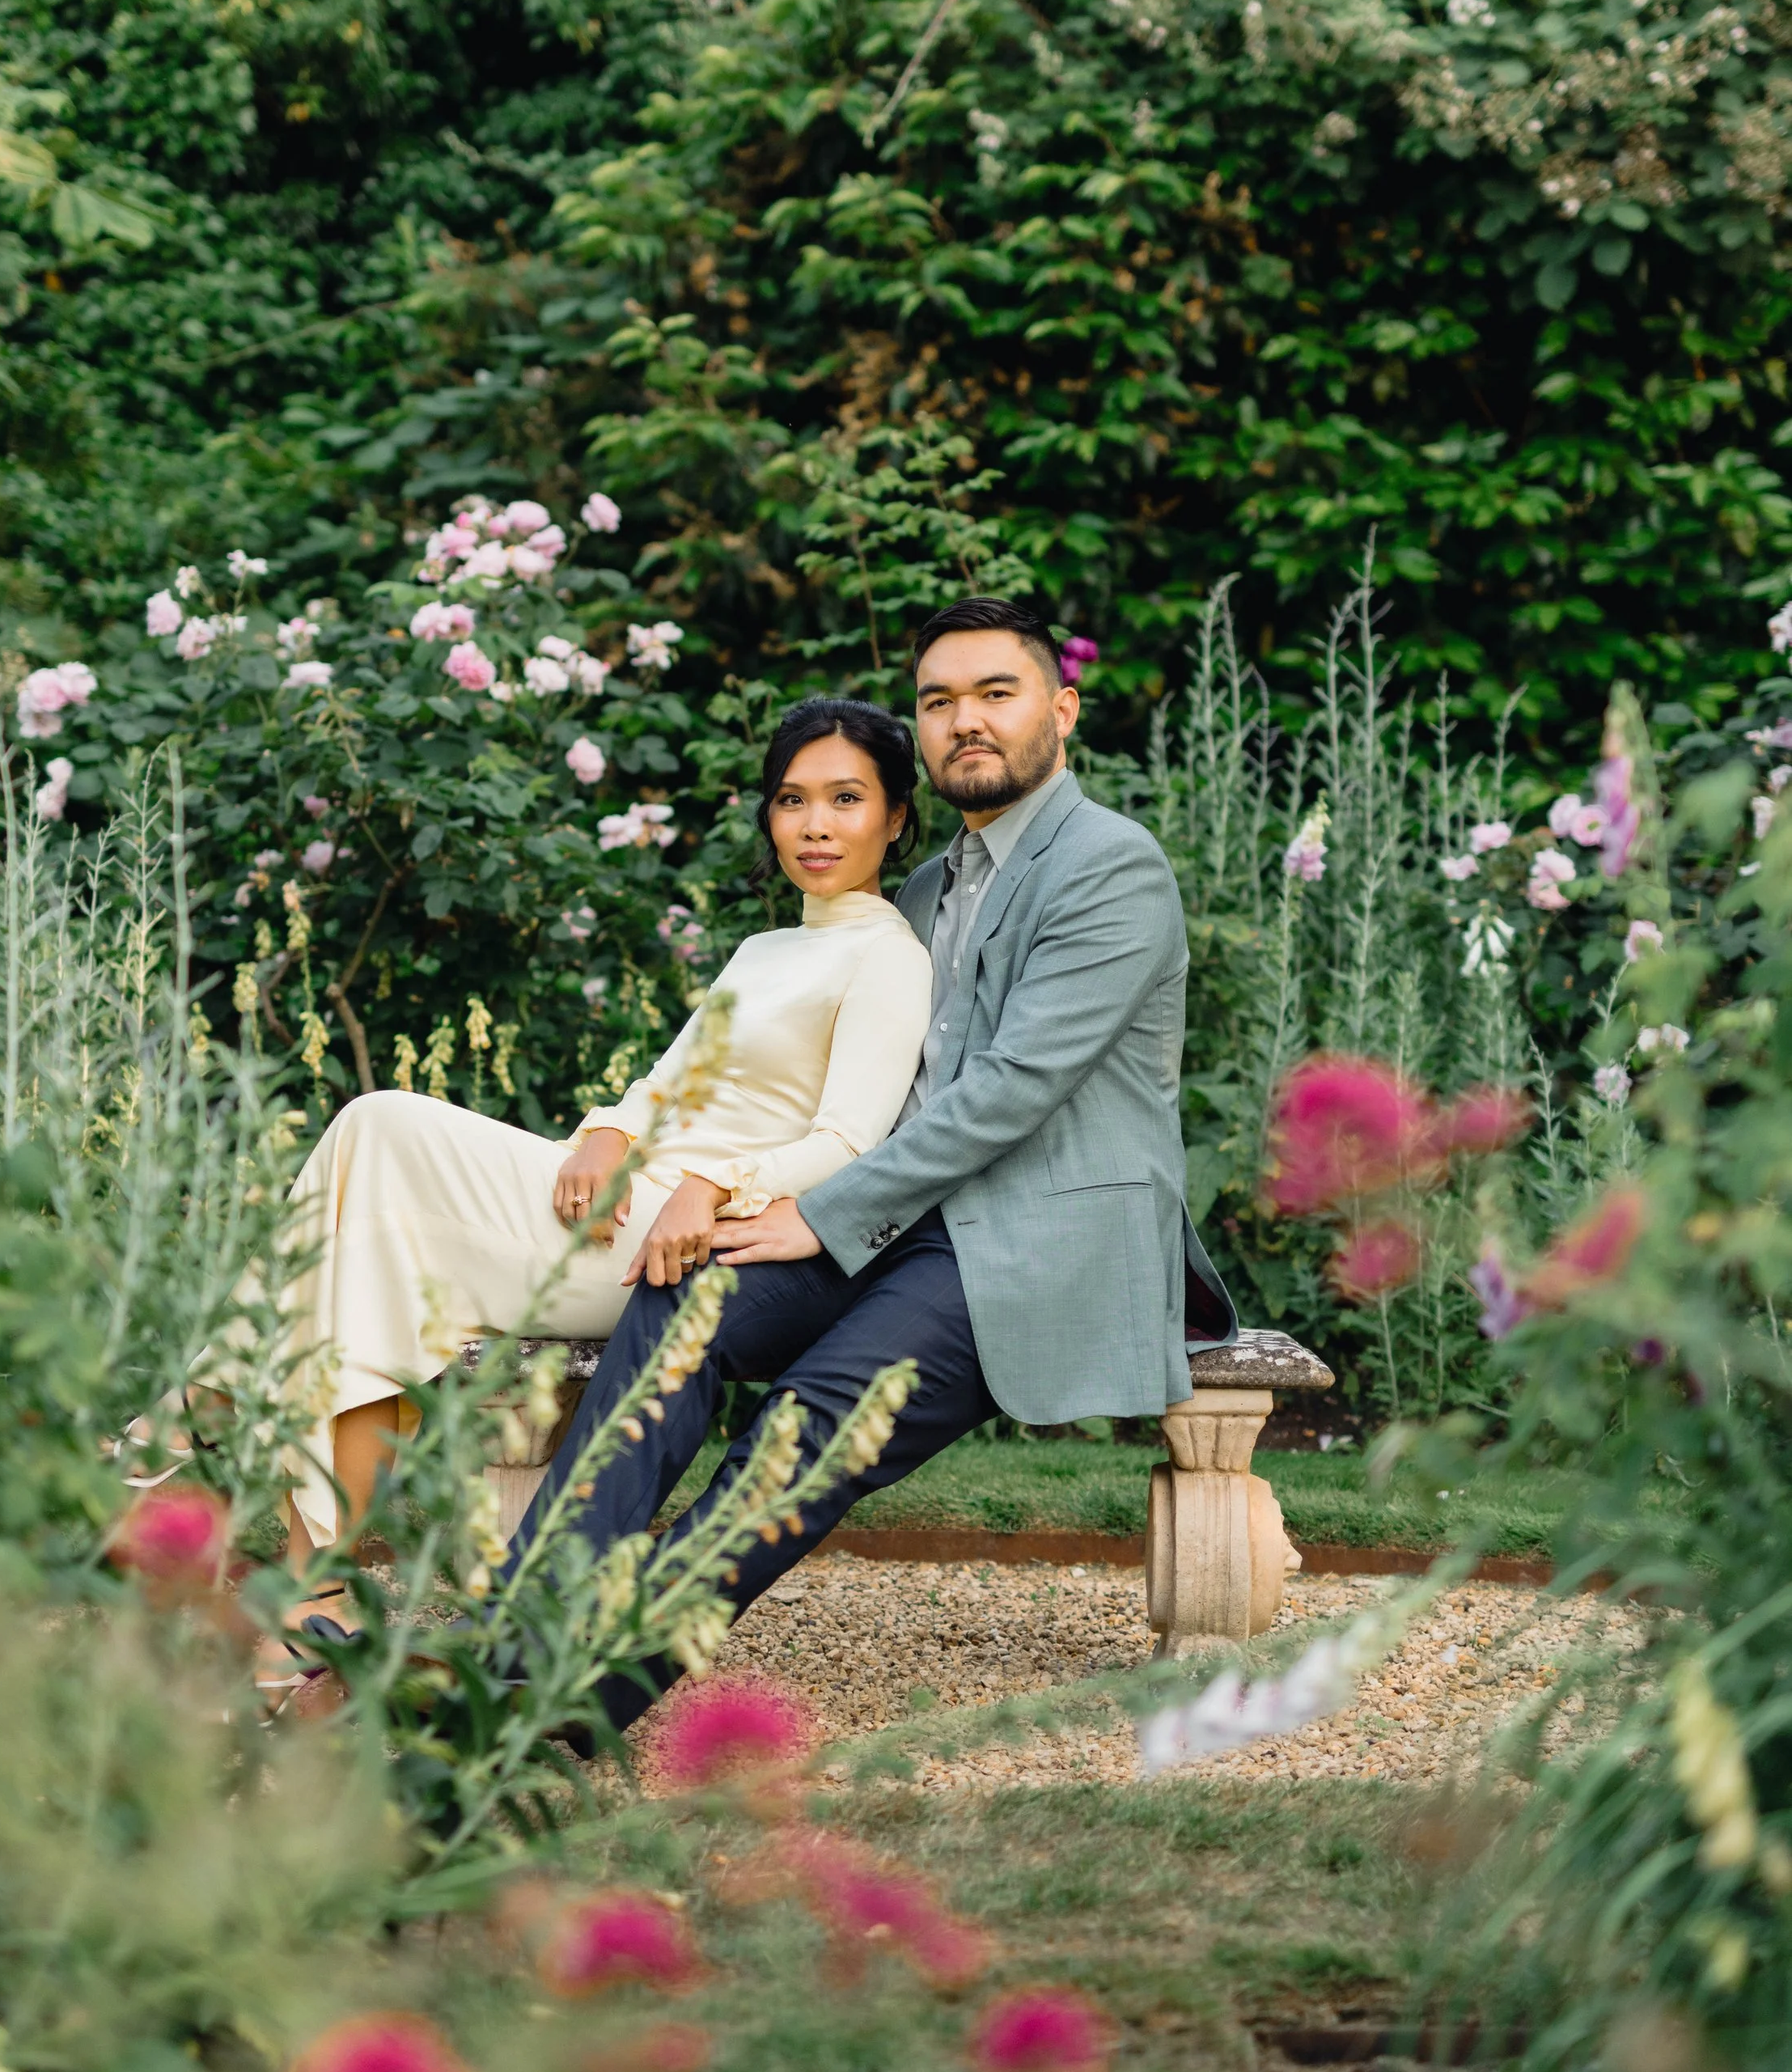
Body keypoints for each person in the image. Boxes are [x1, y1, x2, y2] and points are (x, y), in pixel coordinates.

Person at [525, 593, 1238, 1726]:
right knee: (687, 1296)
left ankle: (579, 1694)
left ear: (1062, 707)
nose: (966, 721)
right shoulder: (923, 892)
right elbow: (869, 1098)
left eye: (995, 694)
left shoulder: (1111, 867)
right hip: (916, 1223)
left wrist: (819, 1211)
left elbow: (1013, 1091)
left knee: (810, 1420)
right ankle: (521, 1633)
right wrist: (737, 1182)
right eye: (939, 701)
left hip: (1045, 1238)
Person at [261, 697, 932, 1667]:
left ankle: (299, 1556)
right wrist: (606, 1133)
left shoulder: (889, 958)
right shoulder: (768, 949)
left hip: (676, 1237)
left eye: (846, 799)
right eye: (792, 800)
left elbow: (849, 1139)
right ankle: (314, 1584)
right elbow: (665, 1083)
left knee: (377, 1135)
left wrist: (712, 1186)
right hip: (625, 1199)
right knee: (365, 1214)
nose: (816, 825)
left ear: (896, 816)